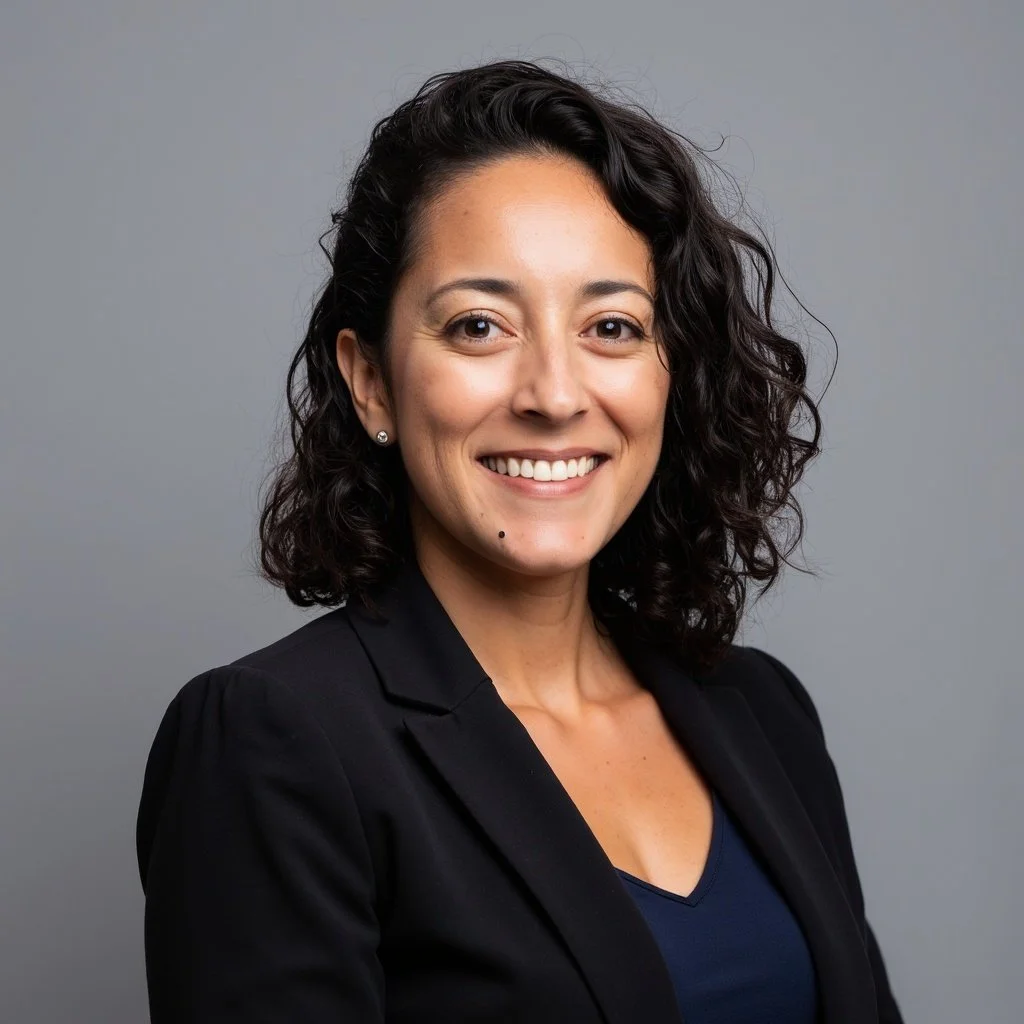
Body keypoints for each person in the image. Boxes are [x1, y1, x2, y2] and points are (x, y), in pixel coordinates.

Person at [135, 59, 904, 1023]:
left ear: (670, 372)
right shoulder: (273, 740)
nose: (553, 392)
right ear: (370, 379)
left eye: (612, 326)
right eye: (479, 325)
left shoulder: (763, 712)